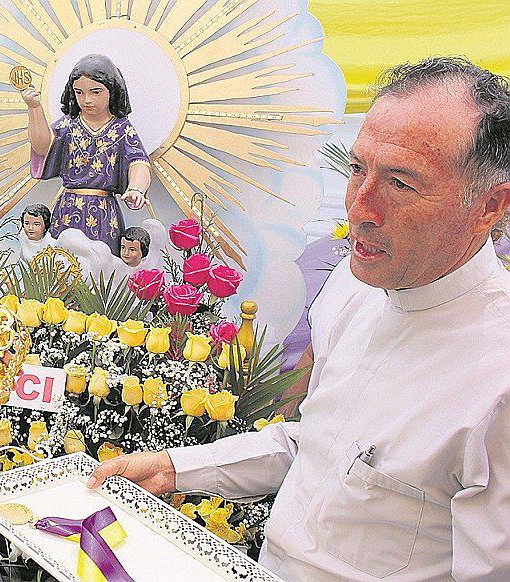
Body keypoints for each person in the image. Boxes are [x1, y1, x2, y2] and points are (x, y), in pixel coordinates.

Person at [89, 57, 510, 580]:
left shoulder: (499, 379)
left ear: (491, 206)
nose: (360, 207)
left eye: (401, 183)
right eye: (358, 169)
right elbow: (316, 443)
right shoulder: (353, 287)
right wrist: (173, 468)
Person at [22, 53, 150, 256]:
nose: (87, 100)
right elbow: (42, 146)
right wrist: (34, 108)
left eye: (95, 92)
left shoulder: (121, 128)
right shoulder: (69, 124)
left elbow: (138, 162)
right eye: (79, 93)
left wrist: (136, 189)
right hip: (67, 210)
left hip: (104, 215)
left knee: (102, 271)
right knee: (62, 266)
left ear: (112, 91)